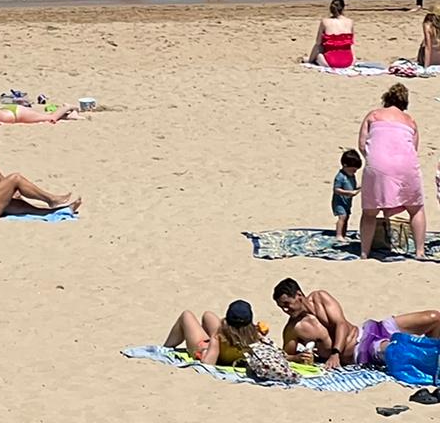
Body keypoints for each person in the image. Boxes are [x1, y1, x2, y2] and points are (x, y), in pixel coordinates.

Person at [274, 279, 440, 369]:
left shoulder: (320, 298)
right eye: (282, 307)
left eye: (287, 304)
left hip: (371, 330)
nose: (285, 310)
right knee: (401, 351)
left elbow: (341, 324)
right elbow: (285, 355)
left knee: (434, 317)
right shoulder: (294, 328)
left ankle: (436, 351)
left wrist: (334, 354)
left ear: (299, 295)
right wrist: (297, 357)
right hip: (362, 351)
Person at [358, 83, 426, 260]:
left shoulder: (373, 115)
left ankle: (364, 252)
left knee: (369, 213)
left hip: (378, 164)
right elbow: (414, 149)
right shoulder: (410, 121)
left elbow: (362, 145)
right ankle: (420, 251)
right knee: (416, 209)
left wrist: (374, 159)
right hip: (405, 165)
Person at [165, 299, 267, 366]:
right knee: (208, 315)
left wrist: (210, 345)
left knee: (186, 315)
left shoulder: (219, 336)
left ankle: (166, 347)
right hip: (232, 355)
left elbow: (208, 364)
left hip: (209, 353)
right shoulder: (254, 335)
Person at [0, 87, 77, 124]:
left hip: (16, 115)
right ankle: (68, 116)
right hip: (8, 113)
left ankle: (67, 107)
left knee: (51, 119)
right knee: (44, 117)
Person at [304, 0, 355, 68]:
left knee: (320, 49)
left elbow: (318, 43)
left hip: (331, 61)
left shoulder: (324, 21)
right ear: (343, 8)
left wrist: (310, 60)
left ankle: (309, 60)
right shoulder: (350, 22)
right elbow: (351, 44)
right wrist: (353, 59)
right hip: (348, 61)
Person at [334, 149, 363, 240]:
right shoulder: (340, 177)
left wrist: (360, 187)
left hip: (347, 202)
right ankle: (338, 235)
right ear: (345, 165)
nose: (354, 172)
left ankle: (343, 234)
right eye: (353, 170)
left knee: (346, 217)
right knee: (342, 217)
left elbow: (353, 186)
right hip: (340, 202)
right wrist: (349, 193)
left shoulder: (351, 176)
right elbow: (336, 189)